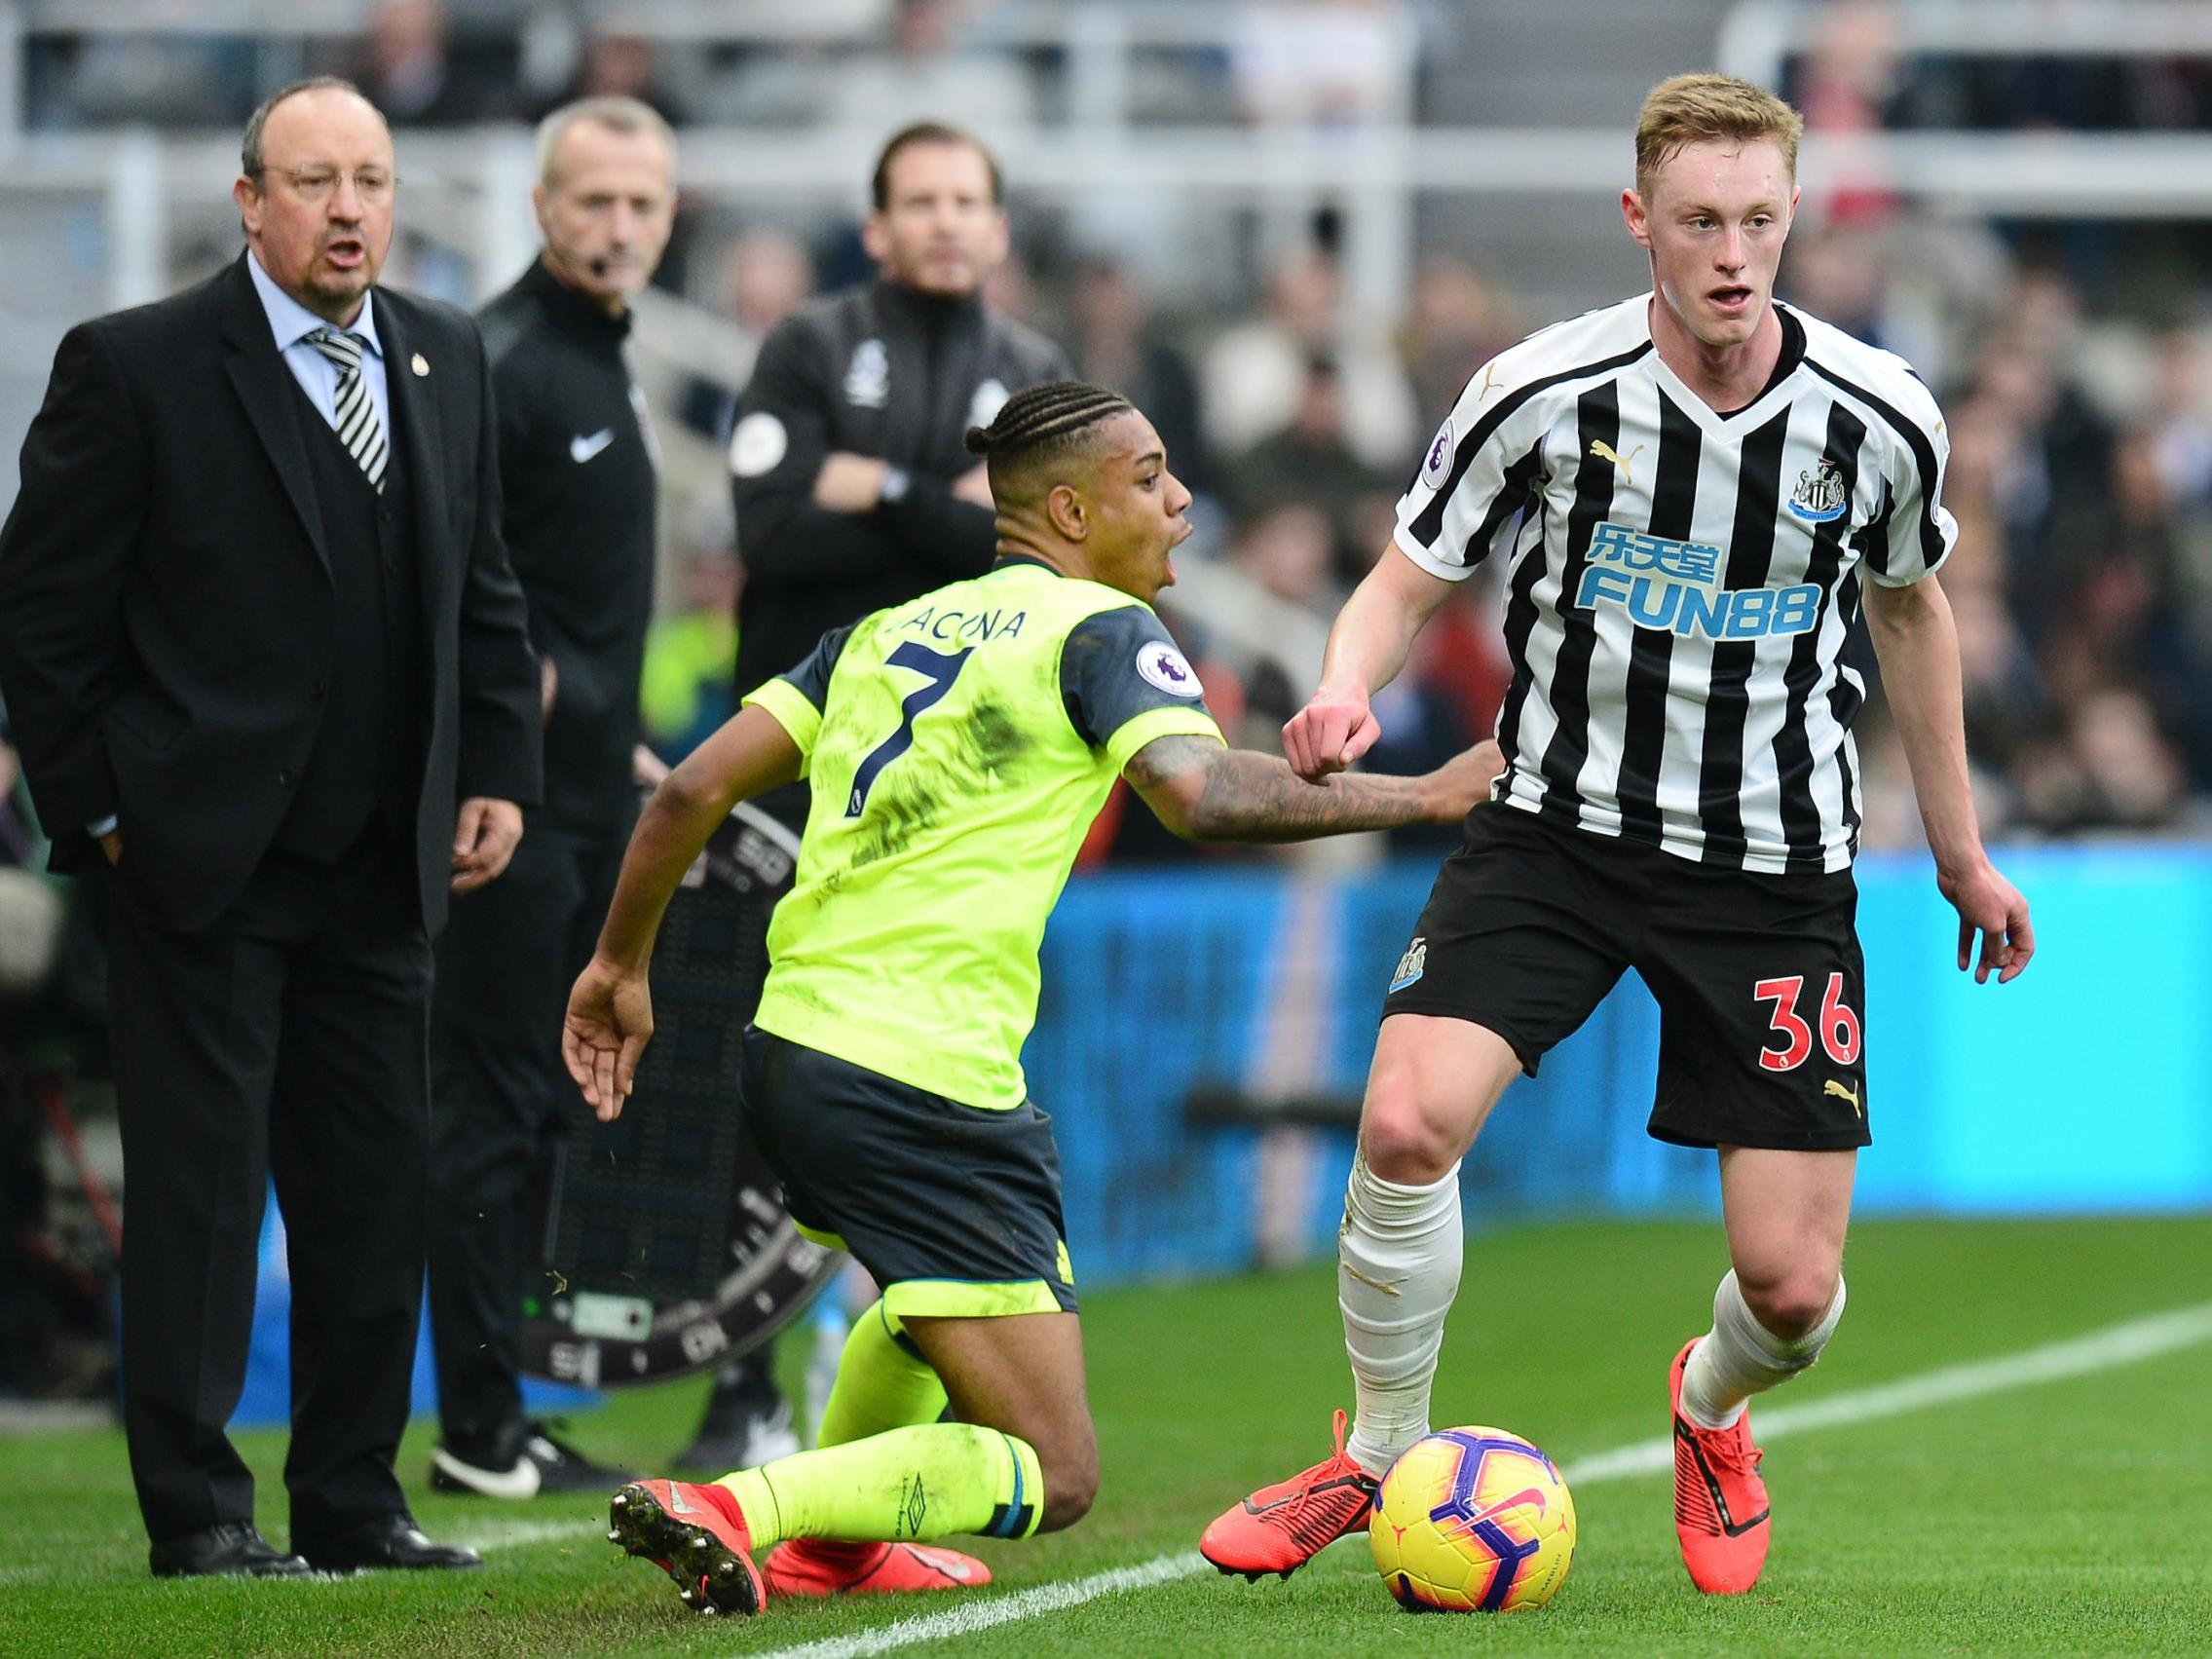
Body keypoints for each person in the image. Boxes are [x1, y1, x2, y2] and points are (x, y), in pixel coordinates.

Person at [1198, 73, 2037, 1599]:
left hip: (1774, 865)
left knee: (1789, 1290)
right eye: (1700, 221)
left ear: (1793, 217)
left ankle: (1707, 1407)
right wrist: (1334, 685)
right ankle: (1380, 1447)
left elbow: (1912, 613)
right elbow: (1403, 578)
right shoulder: (1535, 388)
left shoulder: (1876, 415)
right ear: (1638, 220)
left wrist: (1962, 849)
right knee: (1400, 1122)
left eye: (1759, 220)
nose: (1731, 253)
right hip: (1554, 830)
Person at [561, 381, 1502, 1614]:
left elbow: (686, 791)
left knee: (921, 1296)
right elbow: (1203, 793)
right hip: (920, 1072)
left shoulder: (879, 634)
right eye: (1151, 477)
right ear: (1068, 507)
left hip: (796, 1042)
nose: (1178, 503)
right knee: (1056, 1470)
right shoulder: (1099, 634)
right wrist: (1426, 797)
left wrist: (617, 967)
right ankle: (747, 1507)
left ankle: (832, 1547)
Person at [0, 78, 540, 1576]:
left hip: (388, 866)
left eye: (370, 178)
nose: (351, 207)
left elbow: (480, 587)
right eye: (316, 180)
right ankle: (199, 1511)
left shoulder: (445, 356)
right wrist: (102, 812)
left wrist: (495, 761)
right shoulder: (137, 364)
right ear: (251, 201)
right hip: (198, 870)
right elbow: (40, 623)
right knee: (199, 1200)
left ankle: (355, 1500)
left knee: (375, 1196)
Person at [693, 118, 1069, 1474]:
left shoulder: (1030, 374)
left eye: (966, 199)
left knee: (931, 1074)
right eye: (918, 200)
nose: (944, 221)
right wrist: (947, 503)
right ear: (876, 223)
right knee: (760, 1069)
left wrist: (879, 489)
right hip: (795, 765)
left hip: (951, 800)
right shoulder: (805, 343)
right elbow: (773, 528)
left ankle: (900, 1364)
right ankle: (740, 1380)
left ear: (998, 224)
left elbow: (1031, 546)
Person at [422, 94, 677, 1501]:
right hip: (507, 814)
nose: (620, 225)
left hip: (587, 801)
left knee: (533, 1112)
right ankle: (473, 1422)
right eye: (593, 202)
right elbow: (458, 582)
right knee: (493, 1102)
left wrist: (616, 734)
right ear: (540, 209)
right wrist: (538, 716)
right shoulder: (507, 363)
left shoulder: (600, 359)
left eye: (642, 203)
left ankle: (495, 1410)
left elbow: (570, 603)